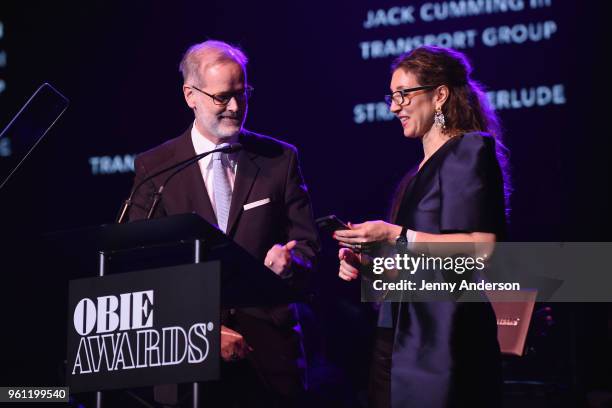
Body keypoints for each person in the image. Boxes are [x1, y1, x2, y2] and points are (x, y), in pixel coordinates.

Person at [128, 40, 319, 407]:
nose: (235, 107)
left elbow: (308, 246)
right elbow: (142, 271)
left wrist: (292, 262)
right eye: (221, 97)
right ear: (190, 96)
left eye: (242, 93)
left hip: (268, 360)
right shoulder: (157, 168)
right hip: (186, 359)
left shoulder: (280, 159)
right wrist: (203, 331)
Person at [333, 46, 510, 408]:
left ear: (440, 94)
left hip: (444, 341)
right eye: (391, 96)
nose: (394, 106)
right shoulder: (414, 176)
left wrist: (396, 235)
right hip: (397, 335)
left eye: (403, 94)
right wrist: (369, 265)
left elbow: (483, 250)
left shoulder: (468, 150)